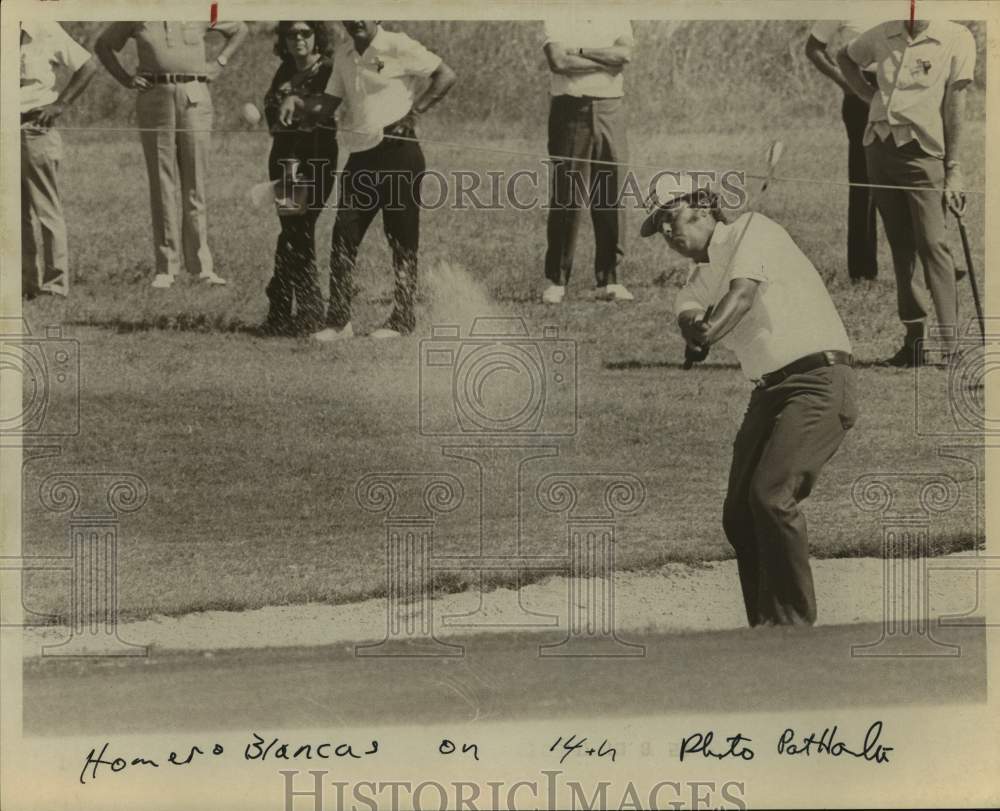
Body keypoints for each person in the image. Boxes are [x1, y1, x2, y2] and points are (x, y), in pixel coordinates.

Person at [640, 177, 858, 626]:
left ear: (702, 209)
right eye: (658, 226)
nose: (665, 233)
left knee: (772, 495)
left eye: (670, 218)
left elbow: (740, 297)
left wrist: (708, 329)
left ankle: (792, 628)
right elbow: (690, 316)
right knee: (739, 513)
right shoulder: (695, 280)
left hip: (818, 380)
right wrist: (697, 332)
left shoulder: (755, 229)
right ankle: (764, 626)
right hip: (769, 394)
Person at [279, 20, 457, 341]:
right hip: (360, 157)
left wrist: (413, 113)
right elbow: (330, 102)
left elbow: (445, 75)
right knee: (344, 235)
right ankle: (339, 322)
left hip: (400, 154)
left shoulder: (398, 44)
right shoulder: (345, 55)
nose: (356, 19)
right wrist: (300, 105)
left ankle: (402, 319)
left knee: (401, 239)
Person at [838, 19, 975, 366]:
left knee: (933, 245)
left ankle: (951, 346)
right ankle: (914, 343)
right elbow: (845, 57)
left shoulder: (956, 37)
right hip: (878, 148)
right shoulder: (883, 31)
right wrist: (869, 98)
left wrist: (954, 168)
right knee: (901, 245)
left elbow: (955, 105)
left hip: (924, 153)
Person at [95, 20, 248, 289]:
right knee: (162, 183)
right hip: (154, 95)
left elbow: (241, 29)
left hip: (195, 95)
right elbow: (103, 45)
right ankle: (166, 268)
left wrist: (220, 62)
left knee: (195, 184)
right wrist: (126, 79)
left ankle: (202, 268)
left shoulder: (203, 7)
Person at [540, 17, 634, 305]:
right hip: (570, 109)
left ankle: (610, 279)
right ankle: (557, 280)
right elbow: (559, 62)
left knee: (610, 193)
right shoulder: (556, 15)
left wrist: (578, 52)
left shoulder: (616, 13)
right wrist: (601, 58)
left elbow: (622, 56)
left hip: (610, 109)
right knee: (568, 195)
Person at [259, 21, 339, 336]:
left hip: (316, 159)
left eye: (305, 32)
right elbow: (272, 117)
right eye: (292, 34)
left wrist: (298, 103)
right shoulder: (284, 70)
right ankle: (293, 311)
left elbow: (328, 107)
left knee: (299, 229)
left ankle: (292, 309)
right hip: (285, 160)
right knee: (294, 230)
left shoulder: (327, 70)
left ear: (317, 36)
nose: (299, 39)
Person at [20, 21, 97, 299]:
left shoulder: (47, 31)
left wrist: (60, 105)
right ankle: (25, 284)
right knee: (14, 213)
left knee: (46, 210)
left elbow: (87, 66)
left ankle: (55, 285)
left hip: (35, 129)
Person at [805, 19, 885, 282]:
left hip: (902, 87)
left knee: (915, 175)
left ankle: (928, 268)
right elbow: (813, 48)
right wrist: (847, 84)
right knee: (864, 182)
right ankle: (862, 271)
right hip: (861, 87)